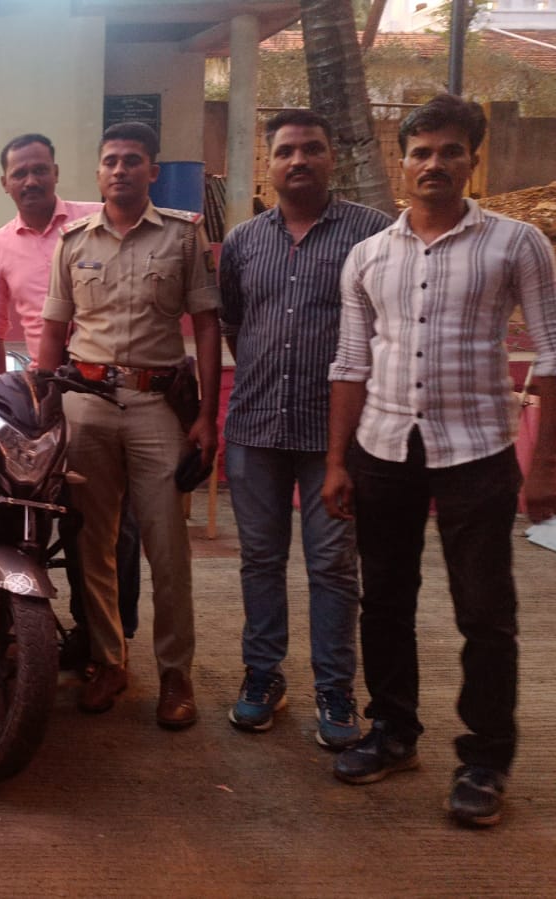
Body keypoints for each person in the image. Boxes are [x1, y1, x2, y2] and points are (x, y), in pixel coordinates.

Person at [323, 93, 556, 828]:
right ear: (401, 162)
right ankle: (392, 732)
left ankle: (484, 759)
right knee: (384, 600)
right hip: (383, 448)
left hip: (477, 451)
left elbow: (551, 354)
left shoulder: (516, 244)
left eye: (449, 151)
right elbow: (350, 363)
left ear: (471, 160)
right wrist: (336, 462)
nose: (433, 164)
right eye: (420, 152)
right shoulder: (368, 255)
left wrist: (546, 465)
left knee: (484, 612)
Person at [36, 122, 221, 729]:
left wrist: (207, 416)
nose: (120, 169)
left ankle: (175, 674)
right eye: (111, 160)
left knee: (166, 546)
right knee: (92, 544)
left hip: (155, 406)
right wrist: (43, 409)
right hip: (85, 405)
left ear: (152, 171)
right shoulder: (72, 241)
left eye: (132, 160)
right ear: (98, 173)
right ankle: (109, 661)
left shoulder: (183, 235)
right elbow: (54, 330)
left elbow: (207, 325)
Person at [218, 109, 390, 747]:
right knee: (260, 561)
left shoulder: (372, 234)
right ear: (268, 163)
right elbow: (235, 323)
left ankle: (335, 688)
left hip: (334, 437)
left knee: (333, 566)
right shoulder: (242, 241)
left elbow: (385, 330)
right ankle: (263, 676)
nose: (299, 160)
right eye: (286, 150)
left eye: (312, 148)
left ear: (331, 157)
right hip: (256, 427)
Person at [0, 133, 141, 652]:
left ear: (56, 173)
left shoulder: (96, 219)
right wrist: (1, 397)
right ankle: (29, 629)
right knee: (32, 508)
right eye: (19, 173)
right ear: (4, 183)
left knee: (110, 523)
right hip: (45, 397)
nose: (31, 180)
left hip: (107, 388)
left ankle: (107, 639)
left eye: (39, 169)